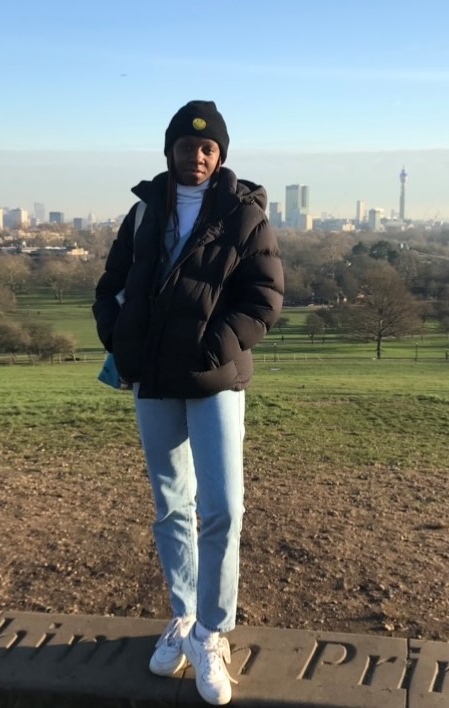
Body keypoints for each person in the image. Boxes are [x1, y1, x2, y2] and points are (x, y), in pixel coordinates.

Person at [93, 100, 284, 705]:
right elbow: (112, 284)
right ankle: (181, 617)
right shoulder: (146, 210)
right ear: (169, 150)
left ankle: (211, 632)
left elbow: (263, 298)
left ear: (220, 154)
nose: (196, 155)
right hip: (153, 377)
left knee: (223, 507)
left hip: (213, 379)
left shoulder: (244, 213)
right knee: (171, 504)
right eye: (185, 145)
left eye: (207, 148)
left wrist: (213, 350)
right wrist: (118, 339)